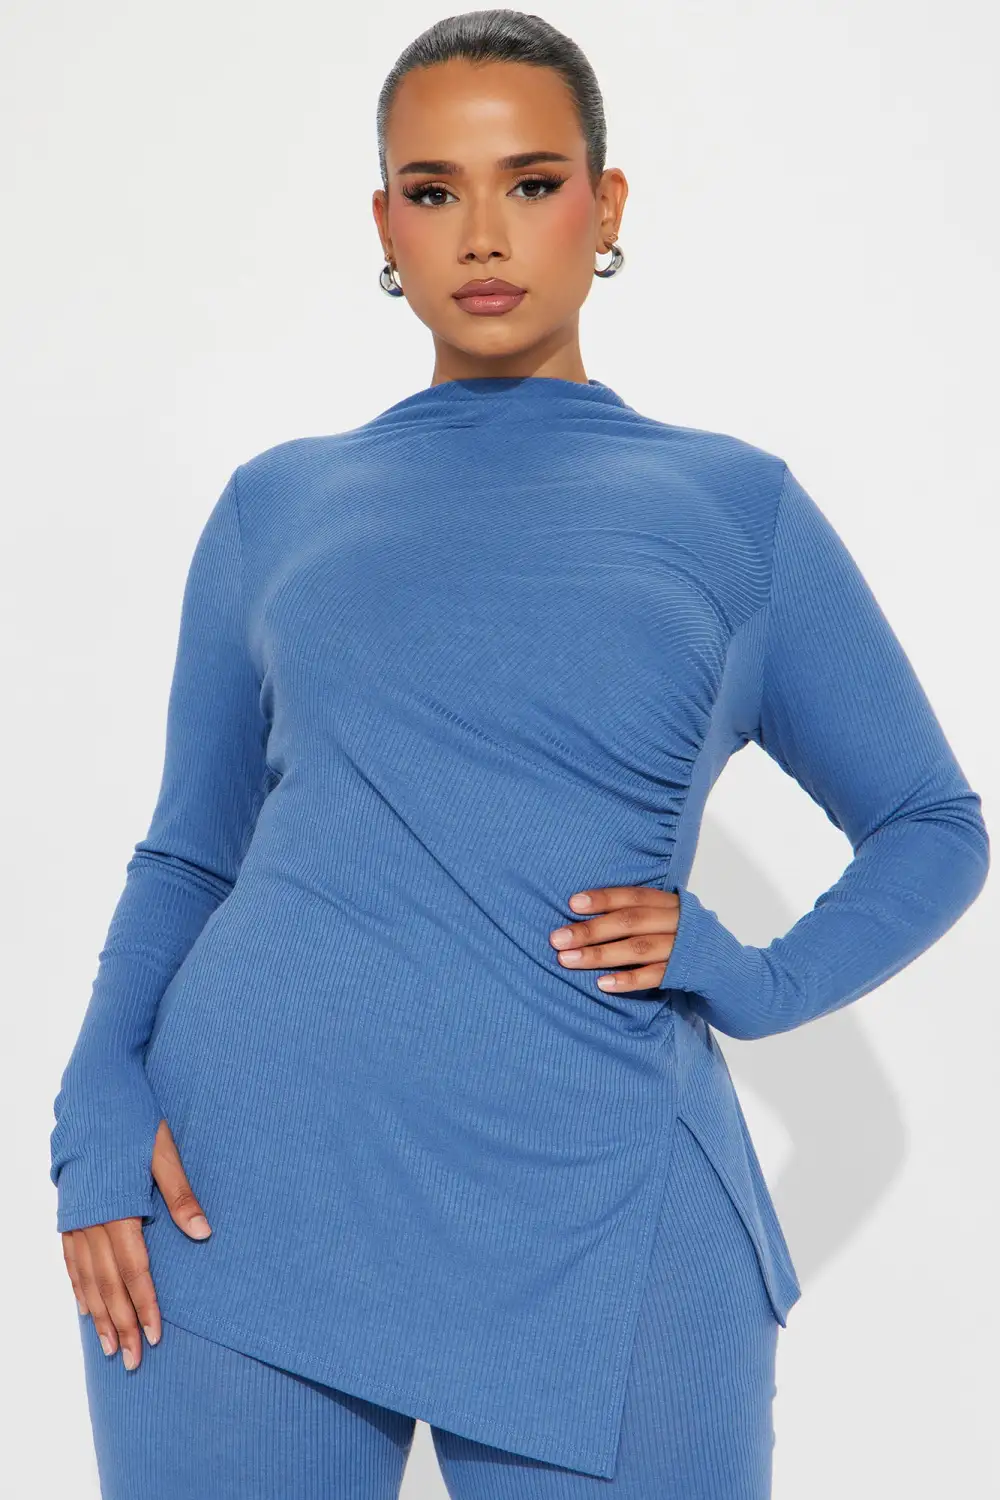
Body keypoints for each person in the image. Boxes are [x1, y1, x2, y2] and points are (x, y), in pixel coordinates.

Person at [50, 10, 990, 1500]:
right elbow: (188, 852)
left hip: (610, 1207)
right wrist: (94, 1101)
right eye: (434, 191)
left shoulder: (732, 508)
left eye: (532, 183)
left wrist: (756, 978)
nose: (482, 234)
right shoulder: (275, 505)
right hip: (239, 1195)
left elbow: (932, 823)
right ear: (385, 224)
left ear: (605, 207)